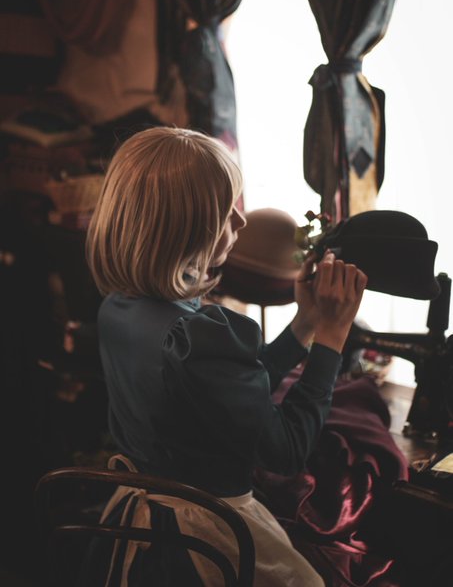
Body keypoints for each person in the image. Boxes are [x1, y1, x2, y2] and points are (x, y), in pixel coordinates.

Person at [85, 126, 367, 587]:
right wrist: (332, 338)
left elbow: (230, 392)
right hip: (200, 537)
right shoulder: (199, 335)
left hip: (135, 519)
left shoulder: (118, 307)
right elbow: (286, 450)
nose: (240, 221)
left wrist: (304, 323)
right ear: (184, 229)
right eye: (227, 211)